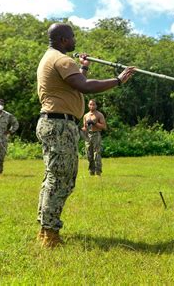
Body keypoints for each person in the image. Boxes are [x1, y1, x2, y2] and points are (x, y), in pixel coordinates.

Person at [36, 23, 136, 248]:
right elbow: (86, 87)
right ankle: (50, 234)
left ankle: (45, 229)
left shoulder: (51, 58)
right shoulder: (61, 59)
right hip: (59, 125)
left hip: (55, 123)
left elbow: (76, 85)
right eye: (72, 36)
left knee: (53, 178)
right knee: (60, 180)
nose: (75, 40)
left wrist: (84, 67)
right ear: (63, 40)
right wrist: (118, 80)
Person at [82, 99, 106, 176]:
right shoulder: (86, 115)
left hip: (96, 134)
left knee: (97, 154)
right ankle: (91, 172)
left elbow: (104, 126)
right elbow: (85, 127)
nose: (92, 106)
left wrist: (95, 123)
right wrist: (80, 130)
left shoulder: (99, 115)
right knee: (89, 154)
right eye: (90, 104)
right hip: (88, 135)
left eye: (93, 104)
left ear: (96, 105)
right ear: (88, 105)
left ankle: (98, 172)